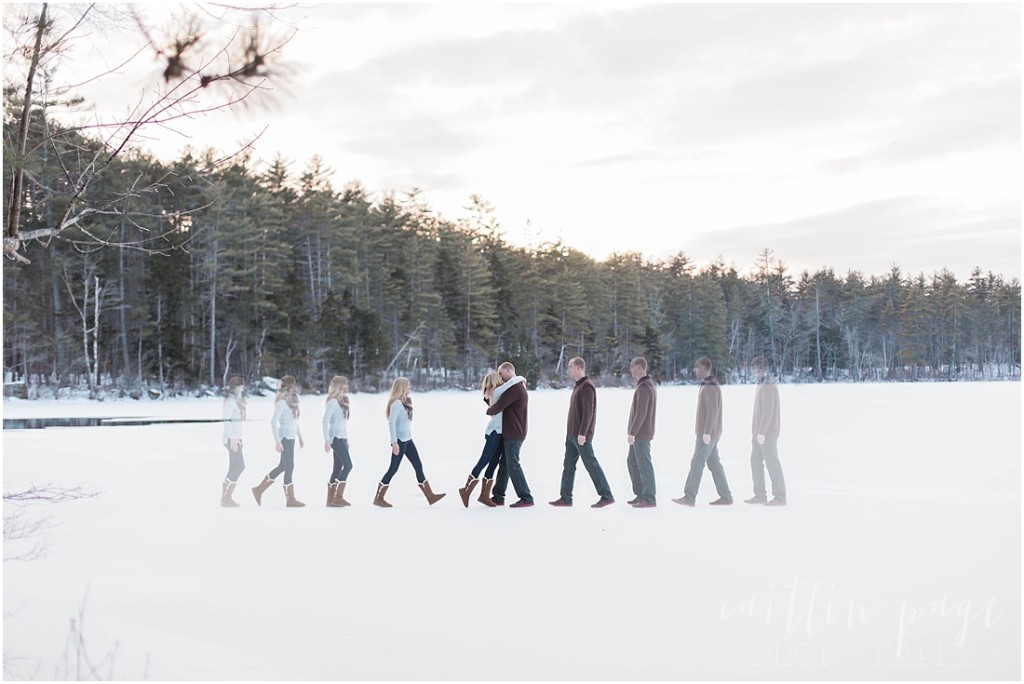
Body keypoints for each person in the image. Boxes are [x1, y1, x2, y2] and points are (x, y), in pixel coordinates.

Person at [550, 357, 614, 508]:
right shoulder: (578, 385)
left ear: (579, 367)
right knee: (568, 465)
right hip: (572, 434)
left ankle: (607, 496)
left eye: (571, 367)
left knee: (591, 464)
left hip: (581, 435)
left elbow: (588, 412)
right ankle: (565, 497)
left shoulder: (587, 386)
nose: (569, 370)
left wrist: (583, 433)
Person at [374, 376, 446, 507]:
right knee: (393, 469)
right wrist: (394, 442)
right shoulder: (396, 403)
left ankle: (430, 496)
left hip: (408, 439)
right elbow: (391, 423)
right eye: (407, 385)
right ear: (402, 387)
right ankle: (379, 498)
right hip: (400, 441)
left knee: (418, 465)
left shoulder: (405, 401)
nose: (409, 387)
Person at [457, 370, 526, 507]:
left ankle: (484, 495)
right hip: (495, 433)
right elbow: (510, 384)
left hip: (500, 433)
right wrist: (520, 378)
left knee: (493, 464)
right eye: (499, 376)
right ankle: (465, 490)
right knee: (484, 461)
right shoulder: (498, 391)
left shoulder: (495, 393)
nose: (501, 378)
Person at [674, 357, 733, 506]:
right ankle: (726, 496)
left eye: (698, 368)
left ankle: (689, 497)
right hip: (710, 433)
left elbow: (713, 412)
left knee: (697, 463)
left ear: (706, 368)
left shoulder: (711, 387)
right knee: (714, 464)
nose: (695, 370)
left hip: (708, 434)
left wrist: (706, 432)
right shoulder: (706, 385)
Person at [251, 375, 306, 507]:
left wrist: (300, 436)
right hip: (284, 438)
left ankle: (259, 490)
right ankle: (290, 499)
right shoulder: (282, 402)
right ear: (286, 386)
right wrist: (277, 441)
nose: (295, 387)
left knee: (283, 466)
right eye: (292, 385)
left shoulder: (293, 401)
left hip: (292, 437)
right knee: (289, 466)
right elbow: (273, 422)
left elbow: (294, 421)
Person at [486, 361, 534, 508]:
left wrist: (489, 410)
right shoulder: (515, 387)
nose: (499, 376)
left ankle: (526, 497)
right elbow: (499, 404)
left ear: (508, 370)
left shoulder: (516, 389)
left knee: (513, 464)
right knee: (505, 465)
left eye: (501, 373)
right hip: (513, 431)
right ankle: (498, 496)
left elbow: (498, 407)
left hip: (514, 432)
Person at [745, 356, 787, 506]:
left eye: (755, 369)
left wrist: (762, 432)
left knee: (772, 463)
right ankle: (760, 494)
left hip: (767, 434)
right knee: (755, 462)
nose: (753, 372)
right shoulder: (761, 383)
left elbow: (767, 412)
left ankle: (780, 496)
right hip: (758, 433)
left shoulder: (768, 385)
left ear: (762, 368)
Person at [626, 356, 658, 507]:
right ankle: (640, 494)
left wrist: (632, 432)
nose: (631, 369)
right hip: (639, 434)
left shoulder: (645, 387)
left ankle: (649, 498)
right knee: (632, 462)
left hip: (641, 434)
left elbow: (641, 413)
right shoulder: (644, 385)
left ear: (639, 367)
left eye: (632, 366)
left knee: (644, 465)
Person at [322, 375, 353, 507]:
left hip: (342, 437)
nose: (347, 386)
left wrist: (347, 439)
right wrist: (327, 440)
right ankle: (337, 497)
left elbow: (343, 424)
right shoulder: (333, 402)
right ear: (339, 386)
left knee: (337, 468)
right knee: (348, 465)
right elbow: (325, 421)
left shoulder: (343, 401)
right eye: (345, 384)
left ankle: (330, 501)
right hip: (335, 438)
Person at [220, 376, 246, 507]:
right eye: (240, 386)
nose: (242, 388)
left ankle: (225, 498)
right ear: (235, 387)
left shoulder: (238, 400)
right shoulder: (231, 401)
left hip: (236, 438)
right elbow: (226, 420)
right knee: (240, 466)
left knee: (234, 467)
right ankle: (226, 497)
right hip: (231, 439)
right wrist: (233, 439)